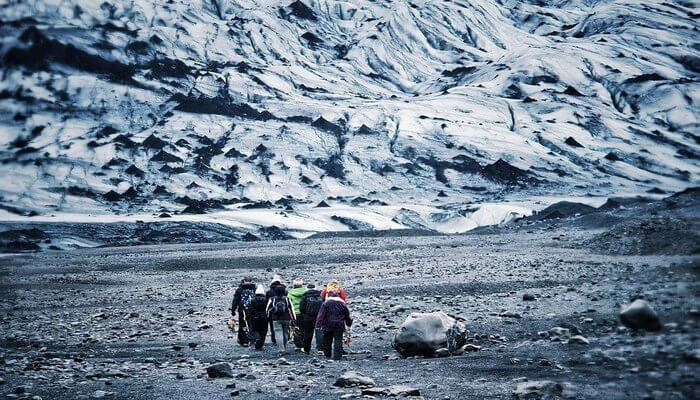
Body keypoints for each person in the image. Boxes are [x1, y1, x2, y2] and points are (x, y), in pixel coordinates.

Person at [315, 290, 352, 360]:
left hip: (327, 324)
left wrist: (318, 325)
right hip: (339, 325)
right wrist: (349, 323)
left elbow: (321, 315)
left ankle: (327, 354)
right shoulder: (342, 303)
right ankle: (337, 356)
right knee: (338, 340)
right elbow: (347, 315)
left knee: (327, 340)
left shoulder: (326, 303)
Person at [266, 282, 296, 354]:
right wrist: (294, 318)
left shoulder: (272, 299)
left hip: (276, 318)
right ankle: (284, 346)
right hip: (286, 318)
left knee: (278, 333)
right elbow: (292, 308)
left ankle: (281, 348)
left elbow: (267, 309)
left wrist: (267, 317)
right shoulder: (287, 299)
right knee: (286, 332)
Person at [298, 282, 324, 354]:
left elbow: (301, 308)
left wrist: (304, 315)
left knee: (308, 333)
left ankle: (306, 349)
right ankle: (320, 349)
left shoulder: (305, 296)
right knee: (319, 332)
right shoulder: (320, 296)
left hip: (308, 317)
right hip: (319, 317)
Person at [230, 276, 256, 346]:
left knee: (242, 324)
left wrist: (233, 310)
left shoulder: (240, 289)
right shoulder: (254, 288)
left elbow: (235, 300)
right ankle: (253, 339)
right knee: (252, 324)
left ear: (243, 281)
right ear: (251, 281)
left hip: (242, 309)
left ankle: (243, 340)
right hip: (252, 309)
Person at [266, 275, 287, 344]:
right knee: (284, 327)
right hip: (284, 312)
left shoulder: (269, 292)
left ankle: (274, 339)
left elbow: (267, 303)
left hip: (273, 312)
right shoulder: (285, 290)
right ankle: (284, 340)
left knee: (273, 326)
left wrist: (267, 313)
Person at [246, 284, 269, 350]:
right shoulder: (266, 300)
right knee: (264, 331)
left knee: (255, 329)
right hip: (264, 317)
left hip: (255, 318)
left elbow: (250, 310)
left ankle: (257, 339)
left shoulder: (252, 300)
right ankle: (260, 344)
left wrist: (248, 317)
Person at [287, 277, 307, 349]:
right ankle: (305, 344)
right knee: (304, 328)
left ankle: (298, 345)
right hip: (305, 313)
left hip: (295, 314)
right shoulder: (306, 291)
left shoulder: (290, 293)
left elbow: (288, 304)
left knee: (296, 329)